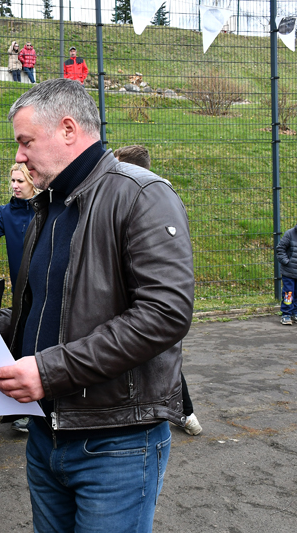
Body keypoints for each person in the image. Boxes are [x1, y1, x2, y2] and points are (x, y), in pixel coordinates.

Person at [0, 78, 195, 532]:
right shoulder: (47, 207)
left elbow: (164, 315)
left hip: (116, 442)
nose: (19, 156)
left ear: (68, 129)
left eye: (26, 141)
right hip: (46, 436)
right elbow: (41, 310)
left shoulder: (140, 195)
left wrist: (48, 372)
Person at [114, 143, 202, 437]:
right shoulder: (160, 196)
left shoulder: (150, 199)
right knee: (158, 356)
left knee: (157, 356)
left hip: (147, 299)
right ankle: (183, 412)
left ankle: (183, 412)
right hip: (150, 297)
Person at [0, 162, 39, 434]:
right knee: (21, 343)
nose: (14, 186)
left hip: (45, 289)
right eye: (12, 181)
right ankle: (22, 407)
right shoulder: (6, 213)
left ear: (32, 182)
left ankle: (34, 412)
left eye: (19, 181)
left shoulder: (47, 210)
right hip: (21, 293)